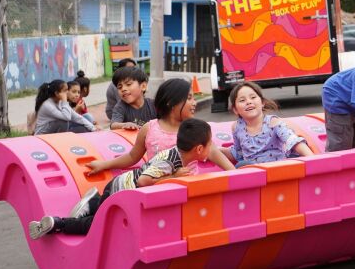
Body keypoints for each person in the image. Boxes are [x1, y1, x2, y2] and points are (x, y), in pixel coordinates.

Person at [28, 118, 213, 239]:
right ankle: (56, 223)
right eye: (210, 144)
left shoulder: (181, 157)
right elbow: (143, 181)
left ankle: (93, 203)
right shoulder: (171, 161)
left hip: (121, 189)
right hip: (119, 191)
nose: (212, 147)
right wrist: (173, 177)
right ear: (198, 149)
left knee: (99, 218)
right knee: (95, 227)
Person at [87, 78, 234, 174]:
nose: (194, 102)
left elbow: (213, 153)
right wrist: (104, 165)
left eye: (194, 98)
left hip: (187, 189)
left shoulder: (195, 130)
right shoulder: (149, 128)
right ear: (171, 102)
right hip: (156, 188)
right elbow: (132, 157)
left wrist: (237, 174)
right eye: (189, 98)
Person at [220, 82, 314, 166]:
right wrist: (214, 150)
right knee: (242, 164)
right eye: (242, 100)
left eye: (253, 97)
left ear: (262, 103)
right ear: (235, 110)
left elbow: (292, 141)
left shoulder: (273, 123)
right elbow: (237, 153)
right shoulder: (237, 127)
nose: (248, 102)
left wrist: (312, 158)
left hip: (275, 169)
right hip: (251, 172)